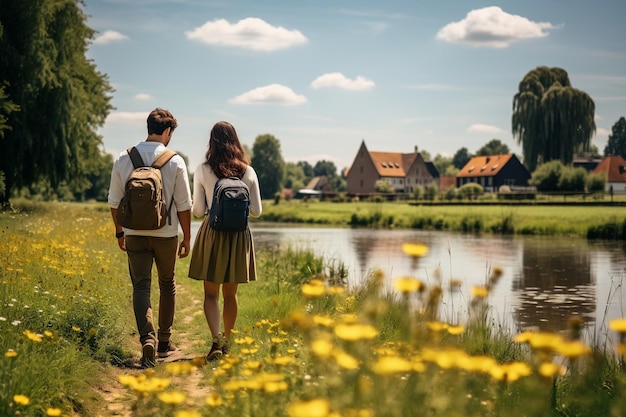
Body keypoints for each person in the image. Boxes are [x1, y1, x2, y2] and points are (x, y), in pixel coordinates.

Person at [108, 108, 192, 368]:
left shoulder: (124, 157)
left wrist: (120, 231)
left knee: (141, 286)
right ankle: (165, 343)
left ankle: (147, 340)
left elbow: (114, 201)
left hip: (134, 233)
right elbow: (184, 205)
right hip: (165, 234)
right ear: (167, 131)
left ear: (148, 127)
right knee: (167, 284)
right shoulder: (175, 161)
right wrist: (187, 237)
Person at [188, 121, 262, 361]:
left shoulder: (202, 170)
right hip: (239, 237)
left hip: (213, 233)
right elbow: (257, 211)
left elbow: (198, 211)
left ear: (212, 141)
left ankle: (216, 343)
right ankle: (228, 344)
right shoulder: (248, 171)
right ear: (235, 141)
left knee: (211, 294)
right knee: (231, 294)